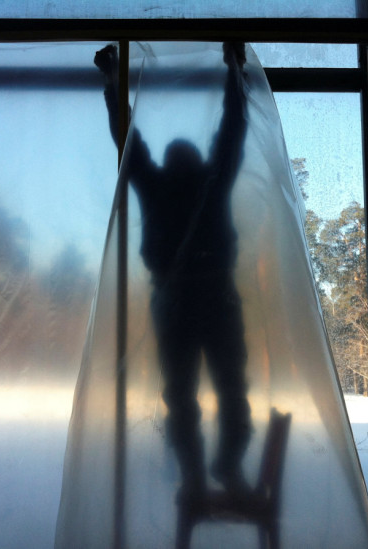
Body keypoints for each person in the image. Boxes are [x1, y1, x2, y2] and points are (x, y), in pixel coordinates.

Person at [95, 42, 252, 501]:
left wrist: (111, 83)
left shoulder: (159, 183)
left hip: (175, 299)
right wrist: (234, 70)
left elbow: (128, 141)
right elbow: (232, 132)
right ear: (194, 162)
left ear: (169, 162)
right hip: (213, 297)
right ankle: (222, 468)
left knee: (184, 394)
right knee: (228, 388)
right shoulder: (210, 181)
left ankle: (197, 473)